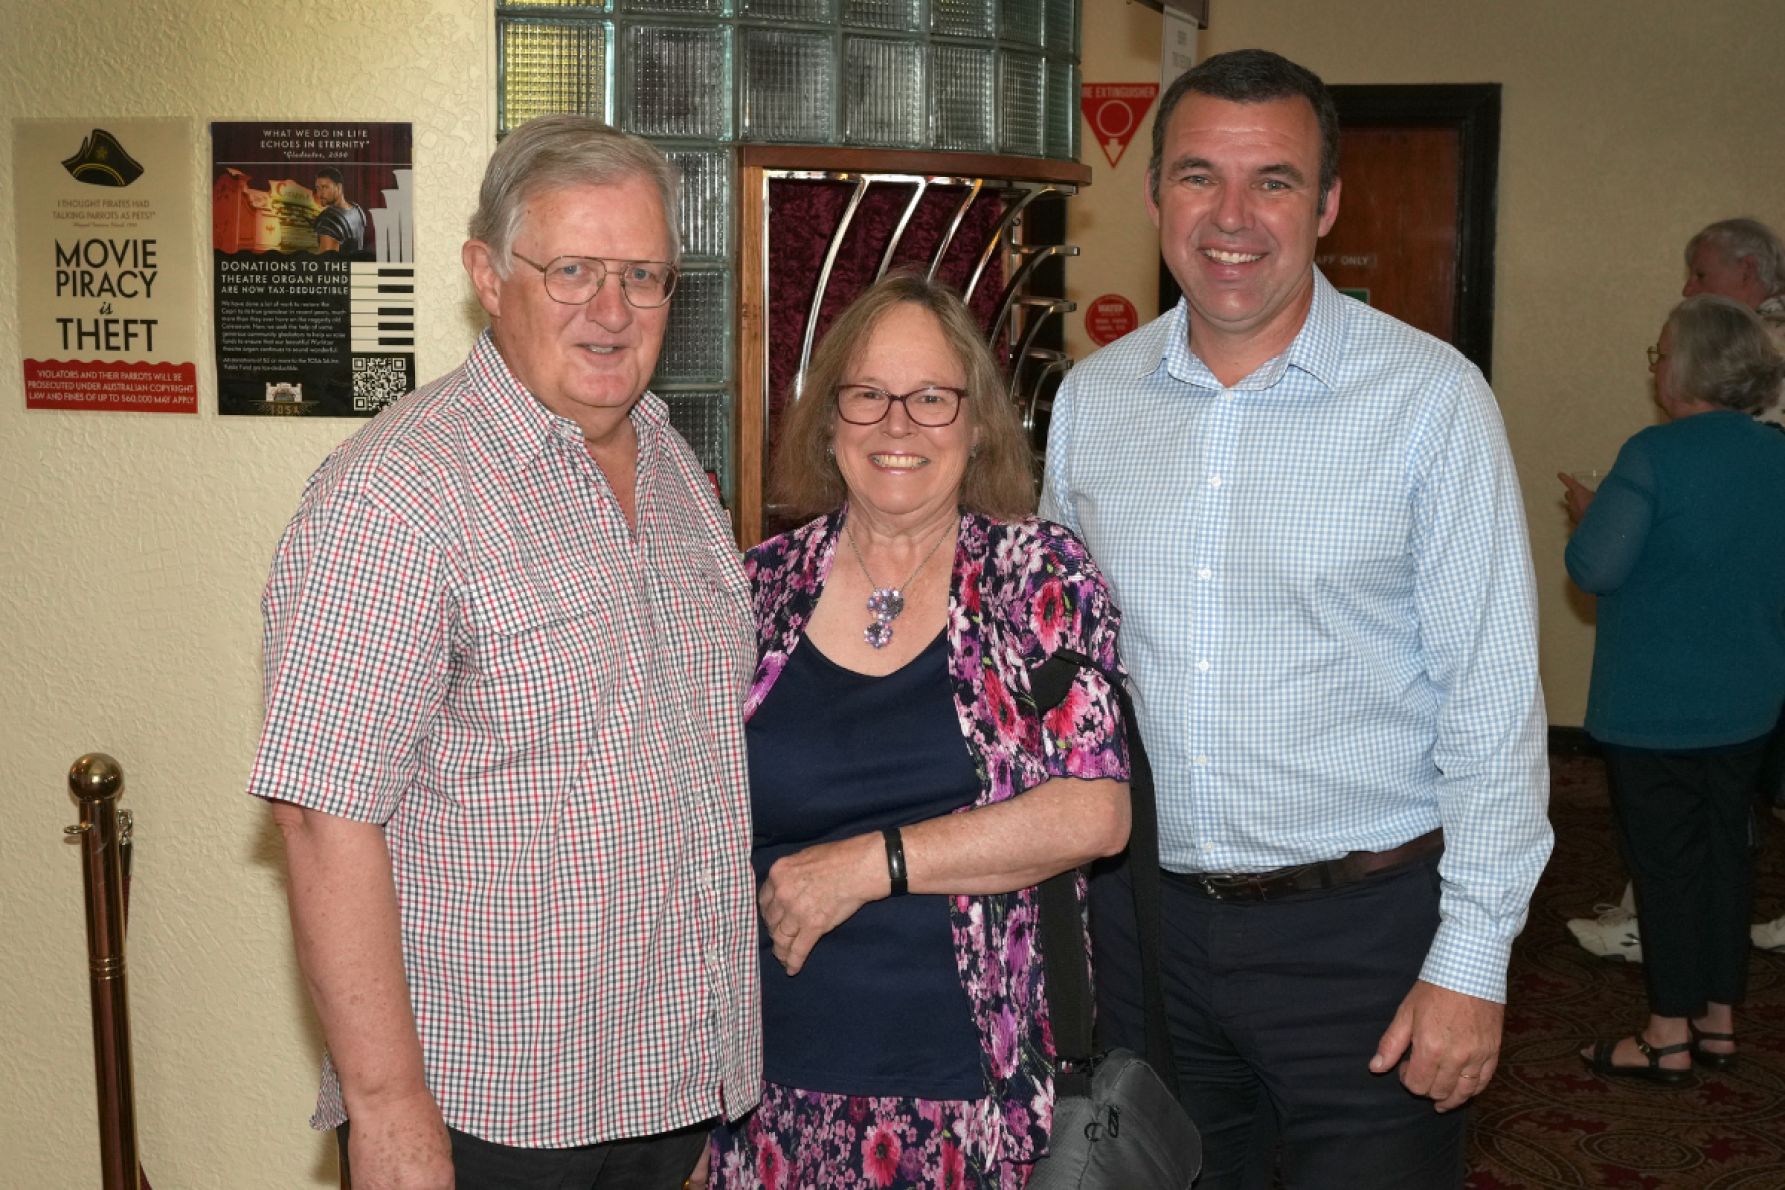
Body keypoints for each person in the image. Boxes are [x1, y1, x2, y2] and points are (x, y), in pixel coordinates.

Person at [1039, 49, 1551, 1188]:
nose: (1231, 217)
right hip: (1146, 939)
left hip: (1363, 943)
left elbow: (1493, 705)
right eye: (1197, 177)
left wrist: (1473, 960)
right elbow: (1055, 675)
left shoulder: (1431, 403)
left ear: (1325, 204)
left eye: (1272, 181)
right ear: (1155, 193)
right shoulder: (1093, 402)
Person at [248, 116, 760, 1188]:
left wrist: (700, 1099)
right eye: (571, 269)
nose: (611, 312)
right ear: (488, 272)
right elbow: (319, 813)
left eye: (644, 275)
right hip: (487, 1115)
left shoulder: (673, 464)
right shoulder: (394, 496)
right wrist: (387, 1112)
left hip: (666, 1093)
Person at [707, 273, 1132, 1189]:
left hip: (978, 1100)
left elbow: (1093, 813)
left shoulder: (1035, 578)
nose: (897, 426)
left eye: (931, 398)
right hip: (769, 1093)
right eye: (867, 396)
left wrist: (866, 864)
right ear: (829, 419)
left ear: (976, 422)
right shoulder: (754, 589)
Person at [1567, 295, 1785, 1081]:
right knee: (1729, 859)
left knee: (1664, 868)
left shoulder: (1652, 456)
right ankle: (1719, 1021)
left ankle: (1664, 1032)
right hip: (1749, 700)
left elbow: (1594, 568)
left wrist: (1592, 516)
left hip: (1655, 705)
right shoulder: (1777, 452)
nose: (1655, 366)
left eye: (1659, 352)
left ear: (1688, 368)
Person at [312, 166, 367, 252]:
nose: (319, 194)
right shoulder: (357, 209)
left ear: (338, 187)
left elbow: (328, 262)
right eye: (318, 188)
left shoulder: (328, 219)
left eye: (325, 187)